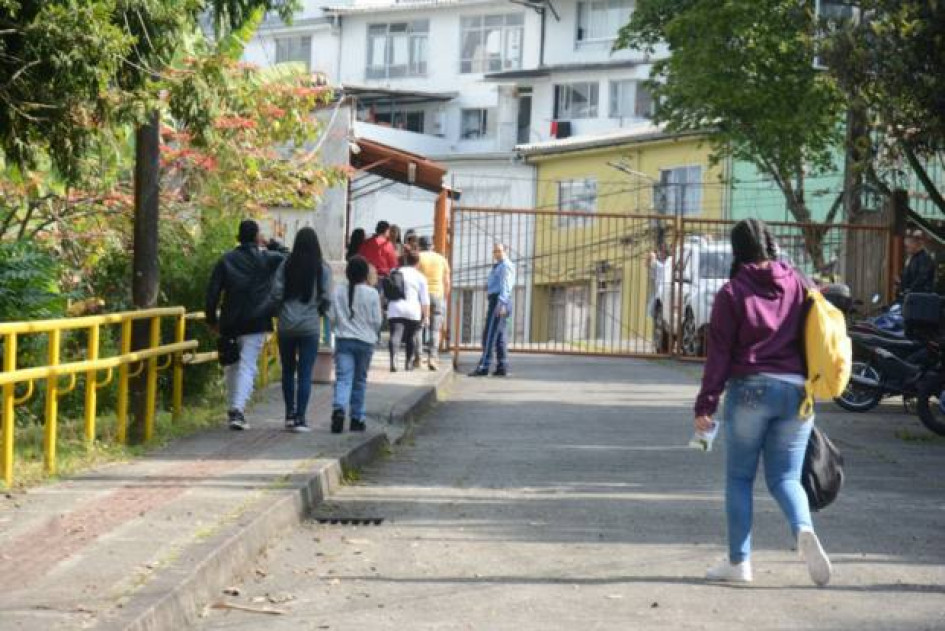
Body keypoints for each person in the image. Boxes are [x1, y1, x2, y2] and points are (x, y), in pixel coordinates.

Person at [694, 218, 832, 586]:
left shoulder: (732, 293)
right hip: (798, 393)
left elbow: (719, 356)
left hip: (750, 390)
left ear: (737, 249)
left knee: (739, 478)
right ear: (770, 244)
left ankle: (739, 563)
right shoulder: (799, 283)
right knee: (786, 477)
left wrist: (705, 405)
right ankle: (803, 528)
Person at [205, 219, 285, 430]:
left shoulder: (226, 260)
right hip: (257, 320)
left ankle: (234, 407)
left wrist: (211, 320)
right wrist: (272, 244)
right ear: (257, 236)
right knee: (247, 365)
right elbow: (289, 256)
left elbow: (212, 293)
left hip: (230, 320)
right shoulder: (267, 258)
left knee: (231, 364)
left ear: (238, 236)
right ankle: (237, 410)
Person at [268, 227, 332, 433]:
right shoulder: (322, 268)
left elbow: (276, 293)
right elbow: (327, 297)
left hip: (286, 325)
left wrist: (281, 311)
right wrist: (318, 310)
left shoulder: (285, 264)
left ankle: (288, 415)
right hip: (310, 326)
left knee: (288, 370)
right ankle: (301, 418)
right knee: (305, 373)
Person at [329, 256, 383, 434]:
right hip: (365, 342)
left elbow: (331, 316)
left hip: (344, 339)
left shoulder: (338, 291)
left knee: (343, 378)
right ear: (365, 274)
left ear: (347, 273)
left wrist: (338, 328)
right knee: (359, 381)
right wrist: (374, 335)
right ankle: (357, 418)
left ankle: (339, 410)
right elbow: (377, 321)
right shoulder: (372, 293)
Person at [469, 243, 515, 377]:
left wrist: (501, 303)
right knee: (500, 336)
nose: (496, 253)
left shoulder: (505, 266)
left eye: (499, 251)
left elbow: (506, 285)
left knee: (489, 335)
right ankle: (502, 366)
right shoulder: (499, 266)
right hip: (499, 300)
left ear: (505, 251)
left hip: (499, 301)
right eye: (494, 251)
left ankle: (484, 366)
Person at [386, 248, 430, 372]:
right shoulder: (420, 277)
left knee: (396, 334)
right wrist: (426, 316)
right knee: (411, 337)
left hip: (395, 308)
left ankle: (394, 359)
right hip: (413, 310)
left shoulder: (395, 271)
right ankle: (408, 363)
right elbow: (425, 300)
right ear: (418, 262)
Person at [417, 236, 450, 370]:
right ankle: (433, 357)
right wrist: (444, 297)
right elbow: (447, 281)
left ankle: (418, 358)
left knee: (418, 327)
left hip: (420, 296)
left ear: (419, 246)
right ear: (432, 246)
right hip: (437, 294)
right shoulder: (441, 259)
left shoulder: (418, 257)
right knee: (435, 329)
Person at [899, 228, 935, 299]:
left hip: (921, 297)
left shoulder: (925, 258)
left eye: (907, 247)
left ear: (915, 244)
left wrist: (910, 290)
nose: (906, 250)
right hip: (912, 295)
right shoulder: (913, 258)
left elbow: (922, 277)